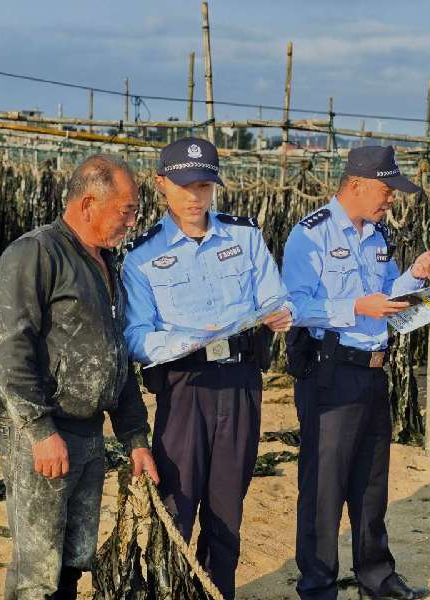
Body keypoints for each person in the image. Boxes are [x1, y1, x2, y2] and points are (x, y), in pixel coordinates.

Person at [122, 137, 293, 599]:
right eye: (184, 185)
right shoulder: (141, 256)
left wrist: (277, 314)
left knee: (227, 509)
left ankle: (218, 592)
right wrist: (189, 340)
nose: (195, 196)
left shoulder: (244, 236)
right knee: (177, 505)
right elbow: (135, 337)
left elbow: (273, 297)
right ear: (161, 185)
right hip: (184, 387)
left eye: (204, 185)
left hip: (239, 382)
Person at [0, 154, 159, 600]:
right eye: (127, 210)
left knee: (72, 560)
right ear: (88, 203)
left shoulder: (105, 264)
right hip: (43, 436)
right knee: (37, 568)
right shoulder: (35, 253)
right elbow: (9, 350)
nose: (133, 221)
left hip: (88, 434)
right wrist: (40, 430)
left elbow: (115, 355)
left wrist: (136, 438)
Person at [282, 145, 430, 600]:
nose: (392, 198)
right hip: (331, 371)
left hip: (375, 371)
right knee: (324, 485)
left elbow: (388, 296)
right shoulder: (309, 235)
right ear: (355, 185)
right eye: (386, 188)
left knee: (372, 482)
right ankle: (317, 583)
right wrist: (354, 306)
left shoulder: (377, 236)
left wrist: (414, 276)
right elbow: (293, 307)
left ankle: (377, 575)